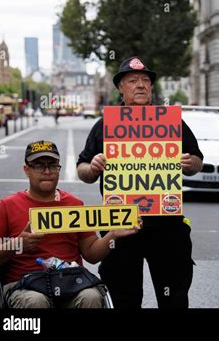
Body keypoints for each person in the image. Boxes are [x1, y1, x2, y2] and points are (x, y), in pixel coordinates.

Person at [76, 56, 203, 308]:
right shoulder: (106, 125)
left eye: (145, 80)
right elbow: (82, 169)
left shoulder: (171, 122)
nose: (141, 85)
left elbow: (197, 160)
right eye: (132, 81)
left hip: (167, 225)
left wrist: (190, 163)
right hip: (120, 225)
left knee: (174, 296)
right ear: (120, 89)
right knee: (124, 296)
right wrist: (92, 167)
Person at [0, 140, 139, 308]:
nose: (46, 171)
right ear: (26, 170)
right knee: (36, 302)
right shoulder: (8, 206)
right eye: (38, 166)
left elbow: (91, 254)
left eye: (52, 165)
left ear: (59, 168)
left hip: (71, 282)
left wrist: (113, 235)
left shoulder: (74, 204)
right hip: (24, 285)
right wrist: (16, 244)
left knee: (92, 297)